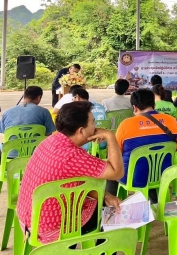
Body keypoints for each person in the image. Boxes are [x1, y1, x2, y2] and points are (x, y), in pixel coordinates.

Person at [17, 101, 124, 243]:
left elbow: (81, 184)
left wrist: (106, 196)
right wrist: (110, 137)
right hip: (48, 228)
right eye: (93, 122)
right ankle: (102, 250)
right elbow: (117, 172)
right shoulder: (72, 155)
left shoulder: (52, 140)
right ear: (81, 131)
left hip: (29, 219)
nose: (96, 127)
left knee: (103, 202)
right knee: (113, 215)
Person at [108, 89, 177, 202]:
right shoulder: (171, 120)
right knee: (151, 168)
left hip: (133, 178)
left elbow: (116, 154)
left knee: (111, 173)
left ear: (134, 108)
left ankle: (111, 207)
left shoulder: (125, 125)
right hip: (162, 175)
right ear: (154, 104)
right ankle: (154, 201)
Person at [0, 86, 55, 157]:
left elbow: (2, 134)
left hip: (10, 155)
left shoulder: (7, 113)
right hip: (36, 155)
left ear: (24, 96)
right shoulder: (44, 112)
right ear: (39, 97)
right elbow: (48, 135)